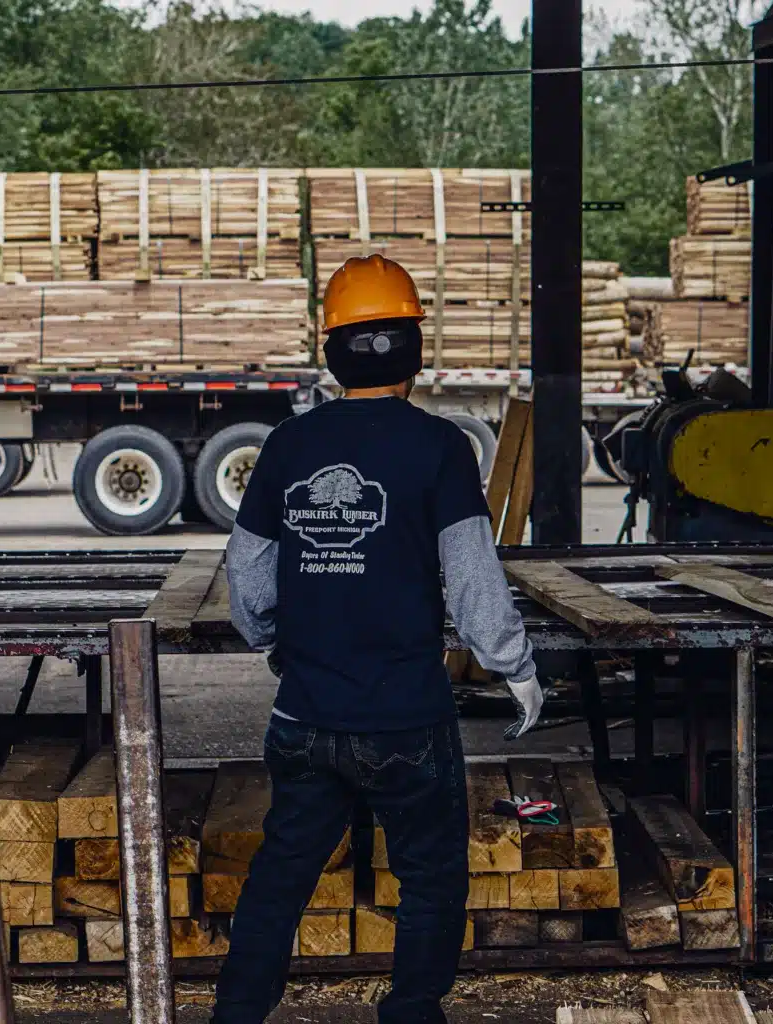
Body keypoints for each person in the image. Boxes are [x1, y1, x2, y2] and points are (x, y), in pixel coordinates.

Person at [211, 254, 547, 1024]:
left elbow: (248, 576)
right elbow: (470, 578)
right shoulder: (438, 448)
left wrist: (275, 645)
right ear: (412, 348)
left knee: (280, 877)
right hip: (407, 724)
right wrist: (516, 669)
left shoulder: (287, 447)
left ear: (330, 352)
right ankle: (408, 1012)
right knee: (429, 878)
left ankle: (235, 1014)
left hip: (304, 719)